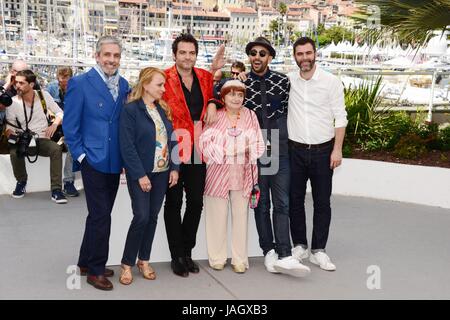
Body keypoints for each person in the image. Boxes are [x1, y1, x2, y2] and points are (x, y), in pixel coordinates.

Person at [63, 36, 130, 291]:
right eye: (107, 55)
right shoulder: (80, 83)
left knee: (98, 215)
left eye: (116, 56)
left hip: (114, 162)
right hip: (93, 160)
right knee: (102, 217)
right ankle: (96, 270)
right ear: (97, 55)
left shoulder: (124, 85)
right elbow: (70, 126)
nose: (111, 60)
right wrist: (81, 156)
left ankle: (84, 262)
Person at [240, 36, 310, 277]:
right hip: (254, 151)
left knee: (282, 203)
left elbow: (299, 104)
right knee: (261, 203)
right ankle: (268, 250)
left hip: (280, 150)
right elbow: (219, 94)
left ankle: (285, 252)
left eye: (262, 53)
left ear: (269, 57)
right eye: (253, 53)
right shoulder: (241, 82)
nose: (256, 57)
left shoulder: (283, 81)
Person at [162, 33, 224, 278]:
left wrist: (211, 102)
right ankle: (175, 255)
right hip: (174, 146)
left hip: (199, 147)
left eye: (191, 53)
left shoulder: (205, 77)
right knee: (174, 202)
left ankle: (187, 251)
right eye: (183, 52)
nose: (187, 57)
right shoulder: (164, 78)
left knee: (196, 202)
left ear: (196, 55)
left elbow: (214, 96)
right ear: (175, 54)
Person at [287, 37, 347, 271]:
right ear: (295, 56)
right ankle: (300, 245)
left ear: (315, 54)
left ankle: (318, 250)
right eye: (300, 54)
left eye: (308, 53)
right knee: (295, 201)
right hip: (295, 151)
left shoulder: (331, 82)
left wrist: (337, 149)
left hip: (324, 152)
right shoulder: (289, 81)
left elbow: (340, 117)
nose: (304, 58)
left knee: (323, 202)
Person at [118, 67, 179, 285]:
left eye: (163, 84)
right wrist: (140, 175)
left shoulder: (162, 109)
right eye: (159, 84)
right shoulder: (131, 110)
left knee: (152, 218)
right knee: (141, 216)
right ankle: (126, 263)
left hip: (162, 174)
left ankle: (144, 260)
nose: (163, 89)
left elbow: (172, 140)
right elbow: (127, 146)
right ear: (145, 85)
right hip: (141, 174)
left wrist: (175, 168)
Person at [199, 80, 265, 273]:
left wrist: (245, 149)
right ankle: (217, 258)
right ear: (223, 97)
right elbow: (204, 142)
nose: (236, 98)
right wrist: (231, 150)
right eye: (231, 94)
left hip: (243, 173)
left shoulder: (251, 115)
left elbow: (258, 143)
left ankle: (239, 259)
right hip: (217, 172)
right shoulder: (215, 115)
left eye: (240, 95)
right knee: (216, 216)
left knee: (241, 216)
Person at [4, 69, 67, 204]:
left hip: (42, 138)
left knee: (56, 149)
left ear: (31, 84)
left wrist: (54, 125)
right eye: (16, 83)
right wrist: (11, 135)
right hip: (22, 140)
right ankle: (21, 182)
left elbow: (60, 113)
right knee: (14, 152)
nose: (17, 86)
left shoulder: (44, 96)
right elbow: (9, 127)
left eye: (21, 83)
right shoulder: (12, 102)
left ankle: (56, 190)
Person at [46, 66, 79, 197]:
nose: (64, 85)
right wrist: (57, 118)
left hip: (70, 128)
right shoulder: (51, 88)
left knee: (72, 149)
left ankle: (68, 182)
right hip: (56, 126)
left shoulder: (76, 90)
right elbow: (46, 106)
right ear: (57, 80)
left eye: (67, 82)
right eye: (61, 82)